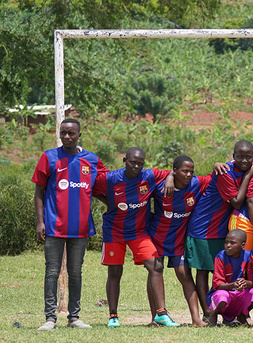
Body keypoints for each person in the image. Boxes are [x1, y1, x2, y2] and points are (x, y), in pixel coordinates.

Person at [33, 118, 107, 330]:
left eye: (71, 133)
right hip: (54, 225)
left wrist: (116, 207)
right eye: (63, 133)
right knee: (52, 271)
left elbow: (104, 185)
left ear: (79, 135)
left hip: (80, 227)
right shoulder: (49, 157)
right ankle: (50, 318)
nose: (67, 137)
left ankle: (74, 317)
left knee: (76, 271)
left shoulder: (91, 160)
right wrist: (40, 222)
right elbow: (39, 190)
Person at [93, 147, 179, 327]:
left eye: (141, 163)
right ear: (125, 161)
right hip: (114, 231)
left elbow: (173, 170)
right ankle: (113, 316)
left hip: (139, 232)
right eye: (133, 162)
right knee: (115, 272)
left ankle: (161, 314)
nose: (137, 166)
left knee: (156, 266)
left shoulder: (149, 176)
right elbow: (92, 187)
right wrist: (109, 203)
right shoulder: (110, 179)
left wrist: (170, 177)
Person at [186, 140, 253, 320]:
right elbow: (237, 201)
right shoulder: (226, 173)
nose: (244, 160)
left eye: (248, 157)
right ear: (233, 157)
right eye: (240, 157)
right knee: (203, 270)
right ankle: (207, 311)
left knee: (218, 268)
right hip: (204, 227)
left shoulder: (248, 163)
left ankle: (229, 308)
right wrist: (248, 176)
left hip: (221, 227)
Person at [149, 155, 213, 327]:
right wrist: (169, 177)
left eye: (191, 171)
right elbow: (145, 175)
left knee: (184, 274)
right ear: (175, 171)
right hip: (157, 237)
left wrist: (219, 164)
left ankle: (196, 319)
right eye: (184, 171)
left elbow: (215, 175)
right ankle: (155, 317)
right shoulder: (161, 185)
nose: (188, 175)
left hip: (178, 240)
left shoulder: (196, 184)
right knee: (155, 272)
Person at [207, 230, 253, 326]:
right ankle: (213, 314)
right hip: (223, 294)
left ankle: (242, 315)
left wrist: (245, 283)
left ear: (242, 245)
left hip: (238, 294)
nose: (228, 245)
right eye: (226, 242)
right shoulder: (221, 256)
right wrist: (233, 285)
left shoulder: (247, 256)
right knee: (222, 296)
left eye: (233, 243)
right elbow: (217, 285)